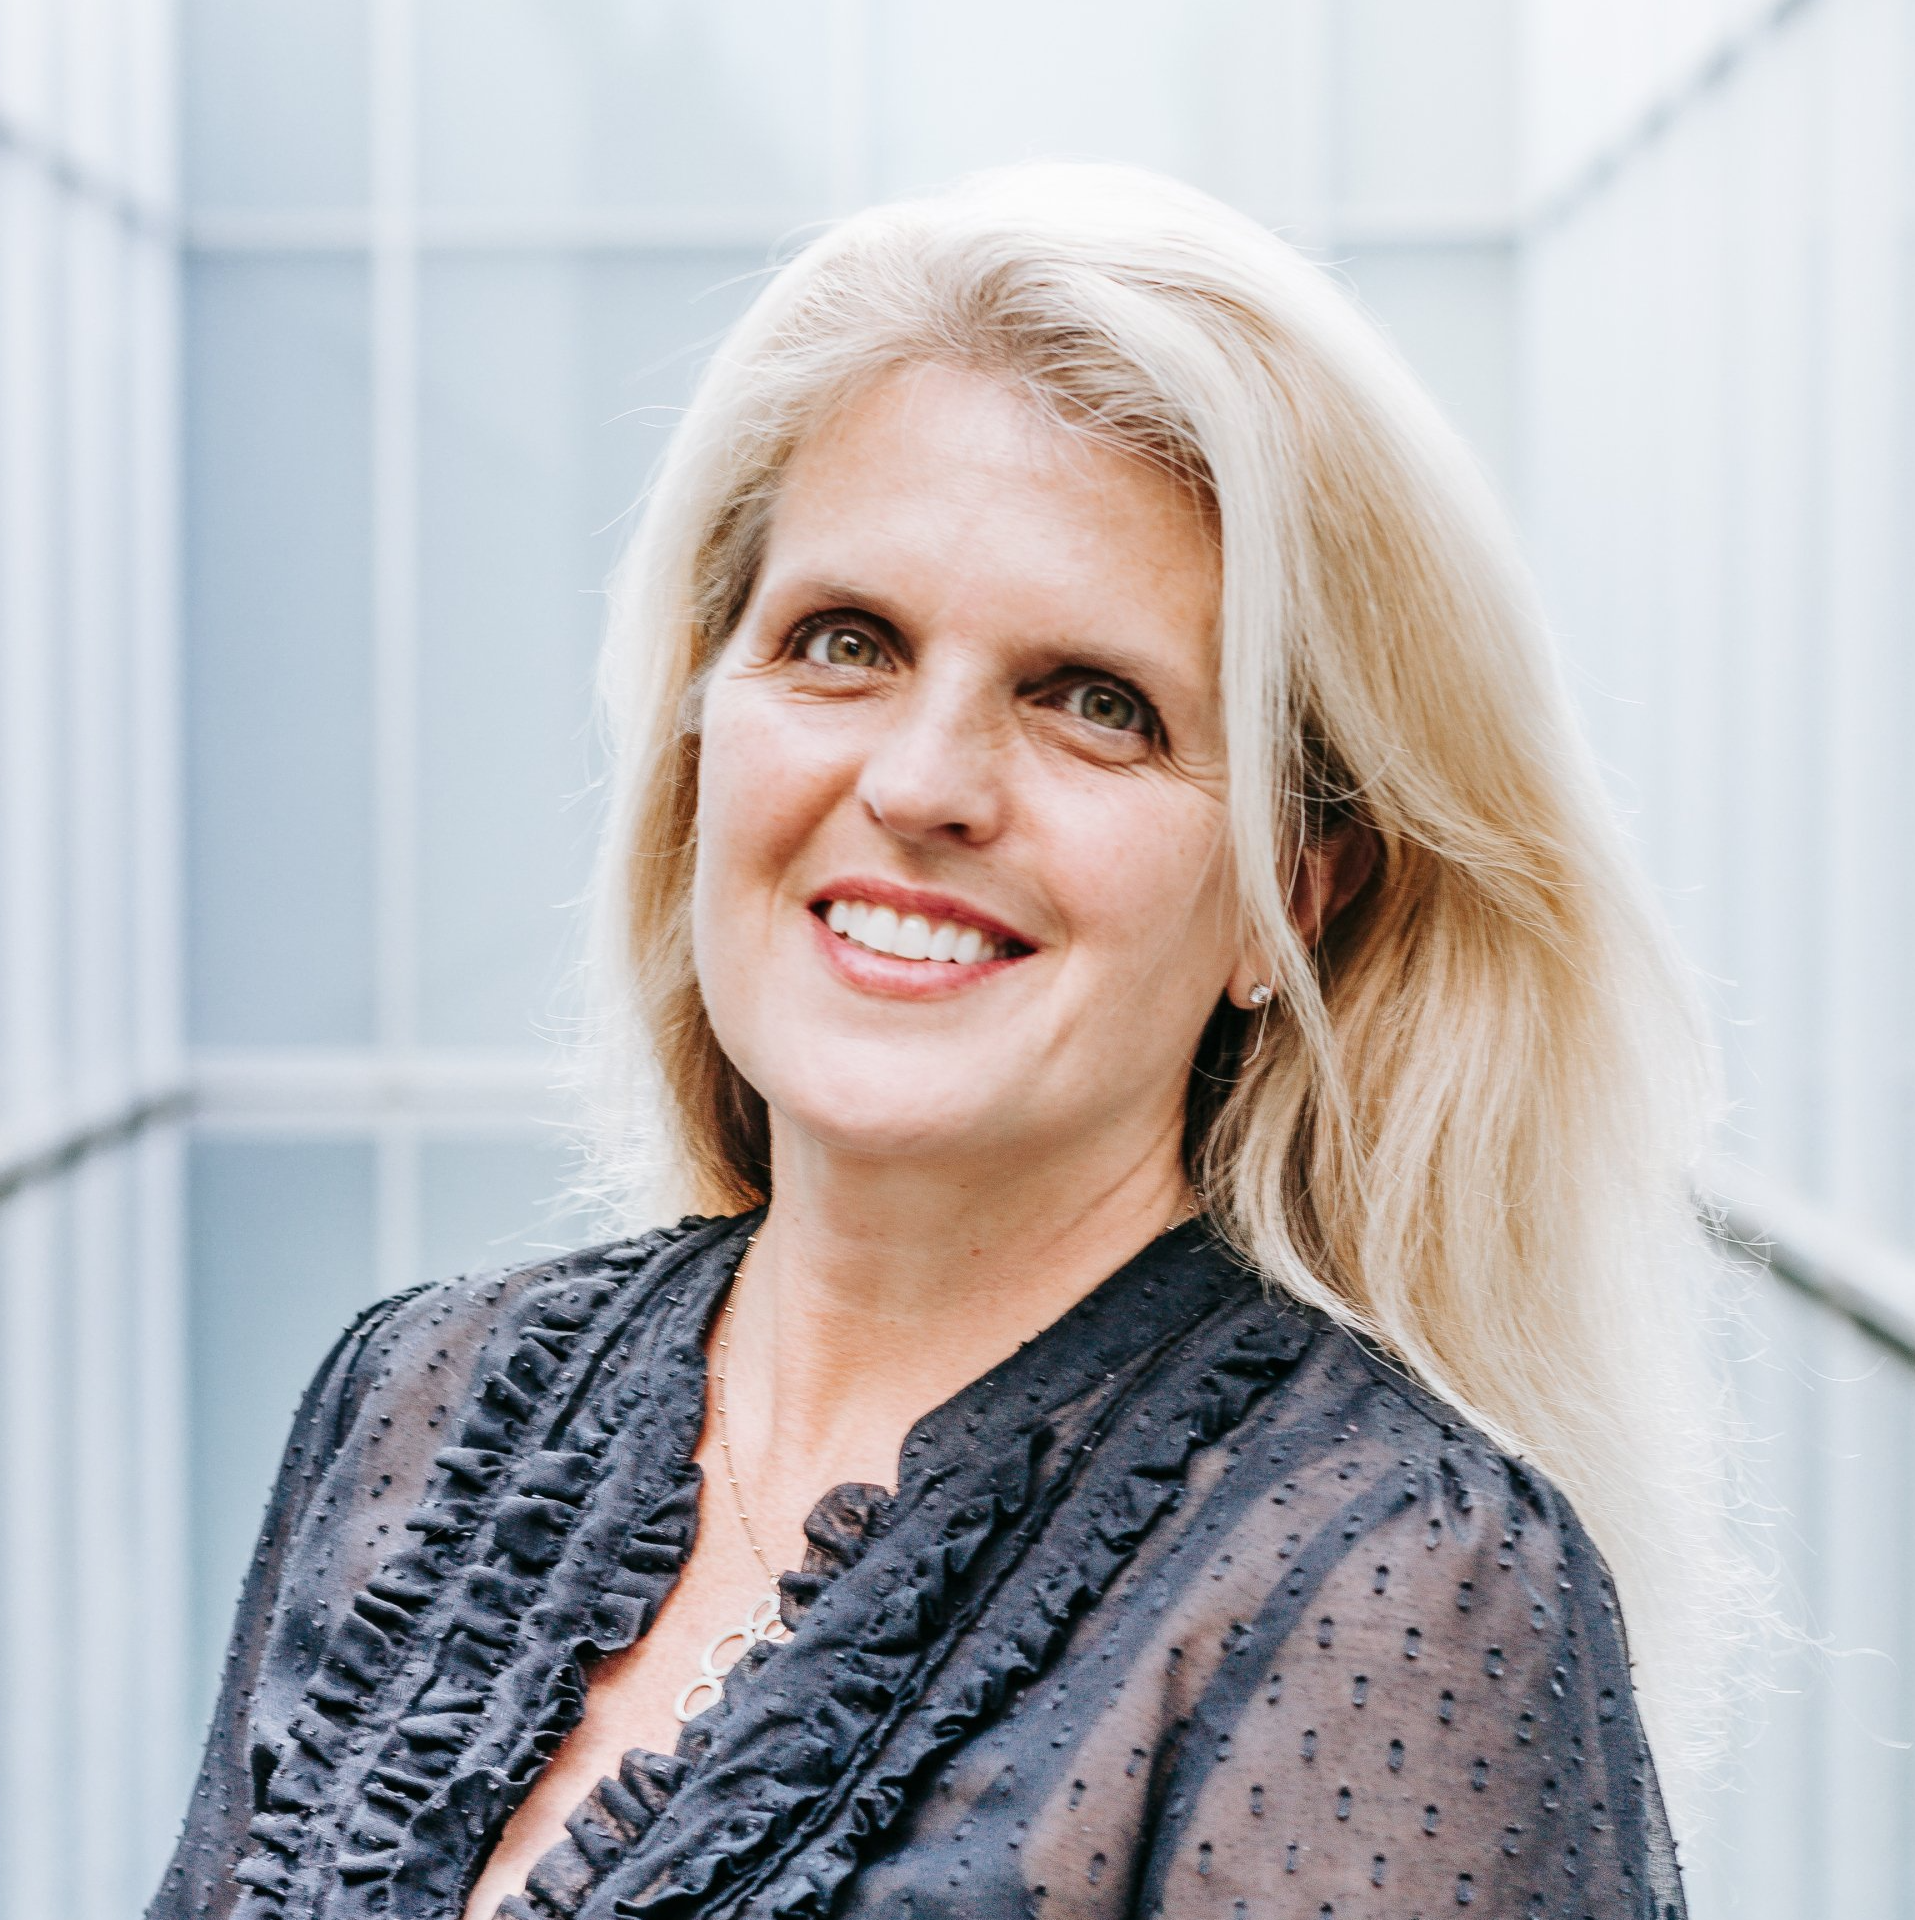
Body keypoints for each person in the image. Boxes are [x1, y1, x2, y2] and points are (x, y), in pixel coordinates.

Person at [151, 163, 1738, 1920]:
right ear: (702, 726)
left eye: (1095, 704)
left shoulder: (1393, 1588)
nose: (917, 786)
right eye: (846, 643)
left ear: (1292, 894)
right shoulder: (422, 1401)